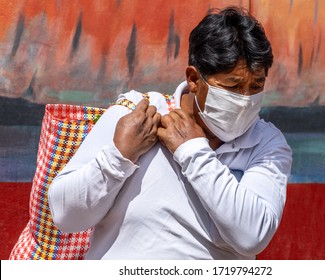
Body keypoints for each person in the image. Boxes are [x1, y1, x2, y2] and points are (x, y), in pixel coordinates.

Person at [48, 6, 292, 260]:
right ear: (194, 79)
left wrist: (194, 151)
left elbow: (252, 237)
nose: (245, 99)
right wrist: (119, 157)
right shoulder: (139, 115)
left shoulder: (266, 145)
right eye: (232, 86)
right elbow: (66, 216)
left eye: (256, 86)